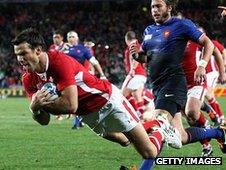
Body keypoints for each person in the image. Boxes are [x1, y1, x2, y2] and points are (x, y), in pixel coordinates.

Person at [12, 28, 182, 170]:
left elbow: (71, 105)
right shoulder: (28, 79)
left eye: (23, 53)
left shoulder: (58, 62)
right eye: (17, 54)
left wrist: (42, 105)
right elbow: (44, 121)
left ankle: (159, 126)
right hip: (88, 116)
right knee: (124, 141)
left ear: (38, 50)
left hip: (108, 102)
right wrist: (34, 109)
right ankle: (152, 126)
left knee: (149, 153)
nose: (20, 59)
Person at [129, 0, 226, 168]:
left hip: (173, 83)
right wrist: (137, 56)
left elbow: (208, 44)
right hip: (157, 86)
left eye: (158, 6)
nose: (154, 10)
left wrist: (202, 65)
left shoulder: (181, 25)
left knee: (159, 123)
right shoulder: (149, 31)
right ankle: (219, 132)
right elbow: (147, 57)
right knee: (179, 137)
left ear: (169, 7)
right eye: (152, 7)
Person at [121, 31, 147, 117]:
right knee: (137, 95)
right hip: (142, 75)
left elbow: (136, 58)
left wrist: (132, 69)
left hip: (136, 75)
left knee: (122, 95)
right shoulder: (138, 45)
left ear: (126, 39)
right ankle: (141, 115)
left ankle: (130, 114)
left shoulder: (132, 45)